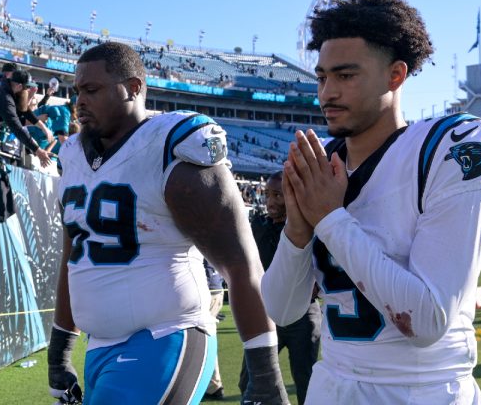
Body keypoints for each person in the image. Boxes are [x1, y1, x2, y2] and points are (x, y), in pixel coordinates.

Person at [260, 0, 481, 404]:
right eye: (322, 77)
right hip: (333, 383)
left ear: (395, 76)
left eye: (345, 75)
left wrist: (330, 218)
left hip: (422, 389)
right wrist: (298, 227)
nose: (327, 93)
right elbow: (283, 311)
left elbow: (428, 320)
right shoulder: (324, 163)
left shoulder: (447, 147)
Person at [49, 42, 288, 404]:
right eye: (77, 90)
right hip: (100, 348)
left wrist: (266, 377)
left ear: (133, 88)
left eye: (92, 90)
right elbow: (75, 260)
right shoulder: (72, 156)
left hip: (166, 336)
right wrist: (59, 352)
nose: (79, 101)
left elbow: (240, 264)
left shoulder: (170, 146)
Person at [239, 171, 320, 405]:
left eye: (278, 195)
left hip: (302, 315)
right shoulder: (258, 224)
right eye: (267, 194)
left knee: (305, 380)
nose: (270, 201)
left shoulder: (308, 227)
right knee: (250, 379)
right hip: (265, 314)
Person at [0, 68, 52, 167]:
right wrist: (38, 151)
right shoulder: (5, 99)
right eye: (27, 88)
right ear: (19, 86)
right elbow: (17, 128)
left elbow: (25, 109)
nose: (28, 90)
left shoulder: (6, 87)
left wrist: (43, 127)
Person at [202, 259, 226, 401]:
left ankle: (214, 386)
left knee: (204, 339)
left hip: (207, 290)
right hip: (216, 288)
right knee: (207, 337)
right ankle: (213, 385)